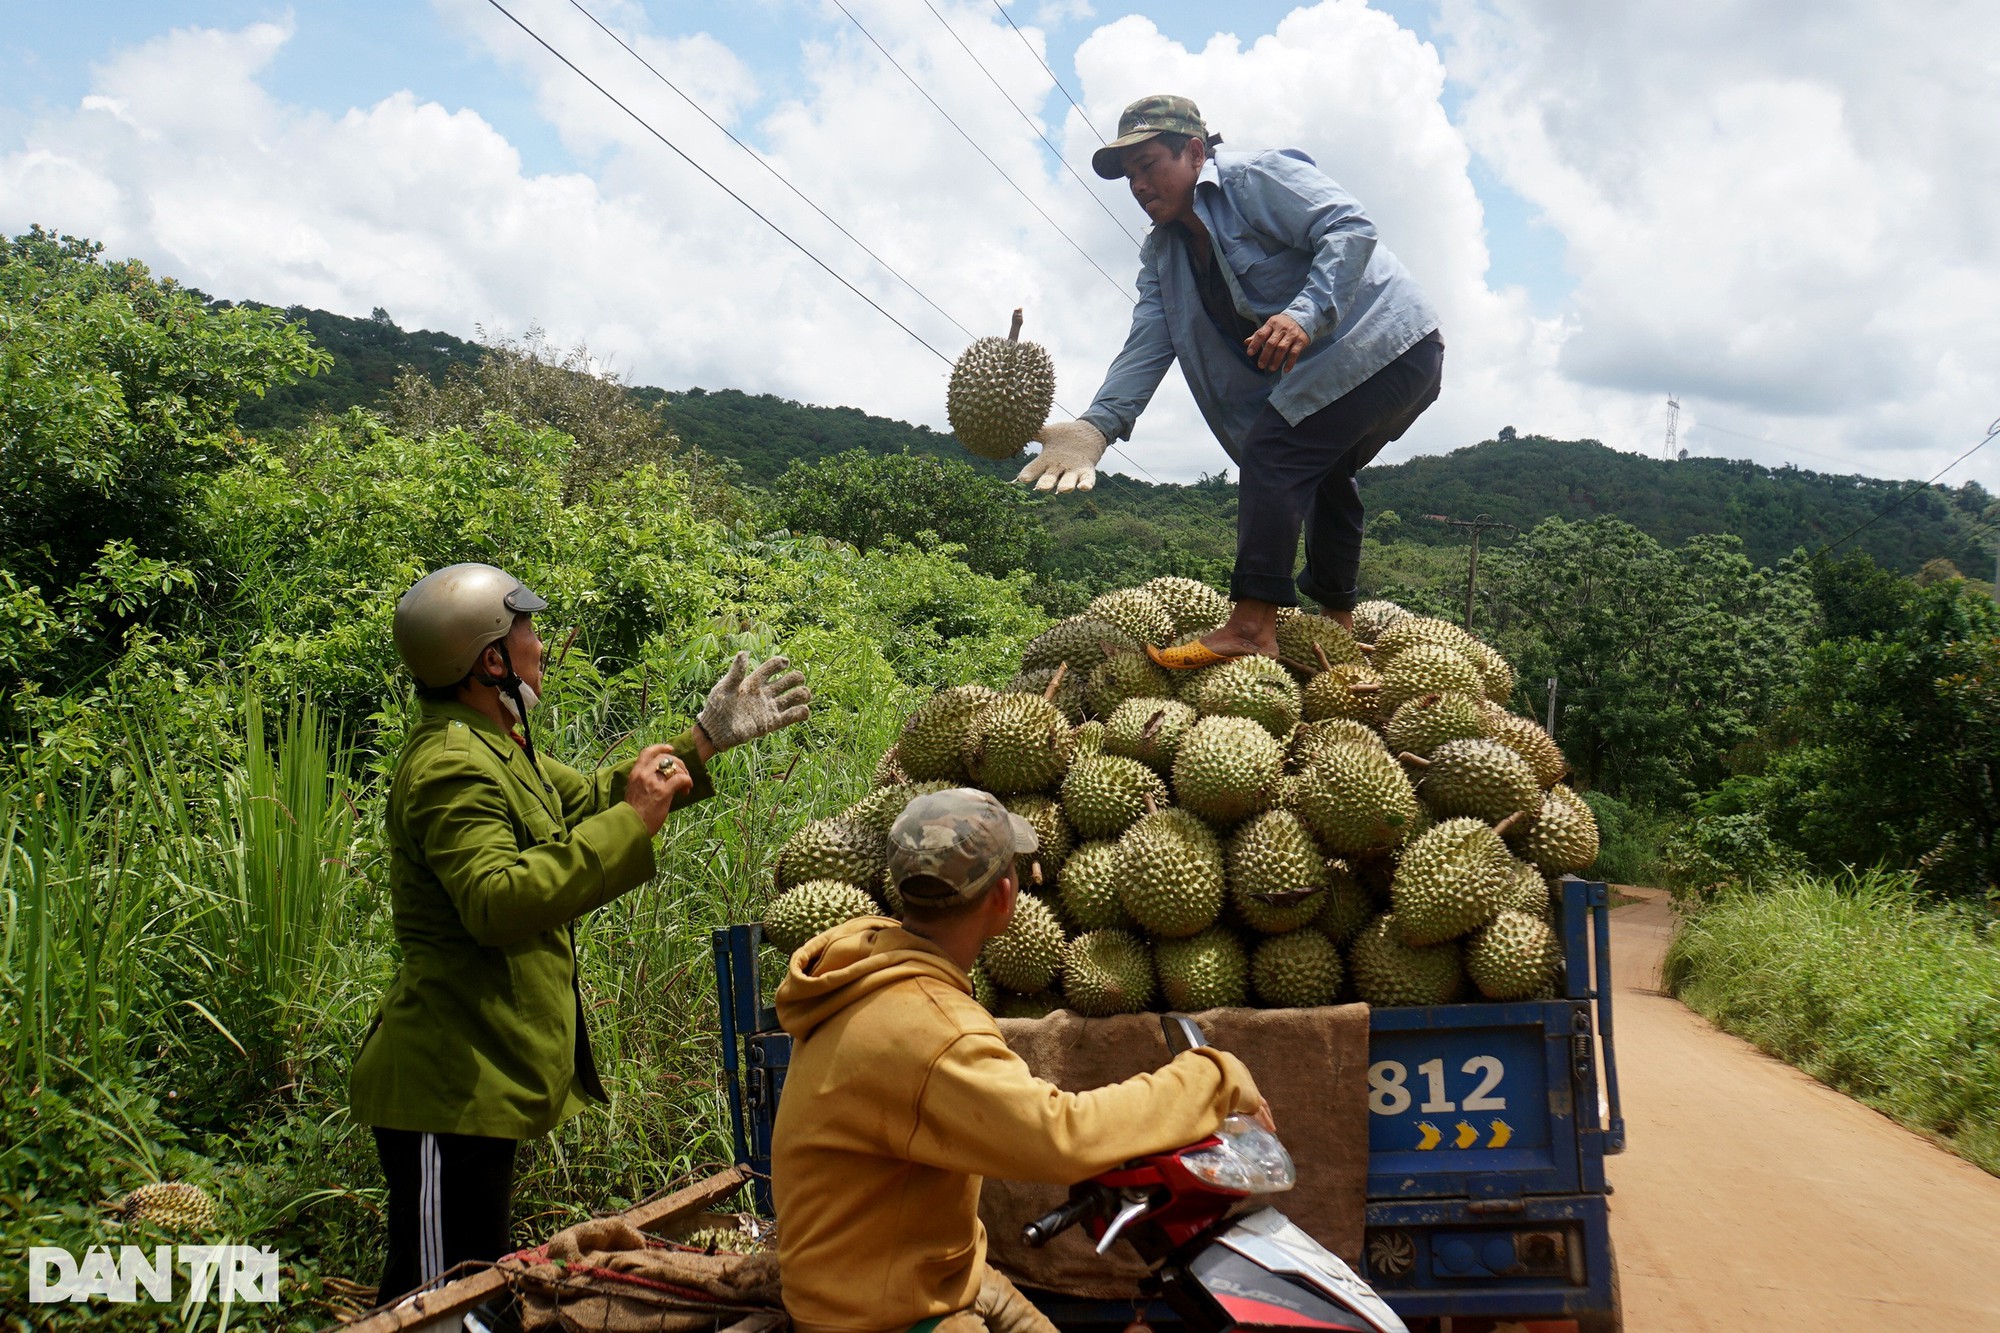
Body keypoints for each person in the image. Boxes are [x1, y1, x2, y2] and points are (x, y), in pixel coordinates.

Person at [349, 562, 811, 1301]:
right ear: (488, 659)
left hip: (480, 1071)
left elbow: (596, 795)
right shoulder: (450, 767)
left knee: (470, 1287)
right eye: (524, 629)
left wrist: (700, 742)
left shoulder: (497, 744)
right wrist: (634, 823)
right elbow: (496, 899)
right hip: (444, 1082)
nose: (540, 643)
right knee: (430, 1300)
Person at [770, 788, 1269, 1333]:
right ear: (1005, 896)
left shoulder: (867, 971)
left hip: (923, 1276)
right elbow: (1060, 1137)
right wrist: (1212, 1079)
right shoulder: (929, 1028)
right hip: (882, 1317)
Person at [1019, 95, 1444, 658]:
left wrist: (1303, 313)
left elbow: (1350, 227)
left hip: (1391, 343)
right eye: (1129, 176)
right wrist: (1097, 427)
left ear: (1194, 152)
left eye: (1149, 166)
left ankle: (1250, 630)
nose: (1139, 186)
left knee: (1276, 451)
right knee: (1320, 471)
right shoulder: (1163, 255)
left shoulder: (1255, 177)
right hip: (1336, 378)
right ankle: (1336, 622)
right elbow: (1148, 341)